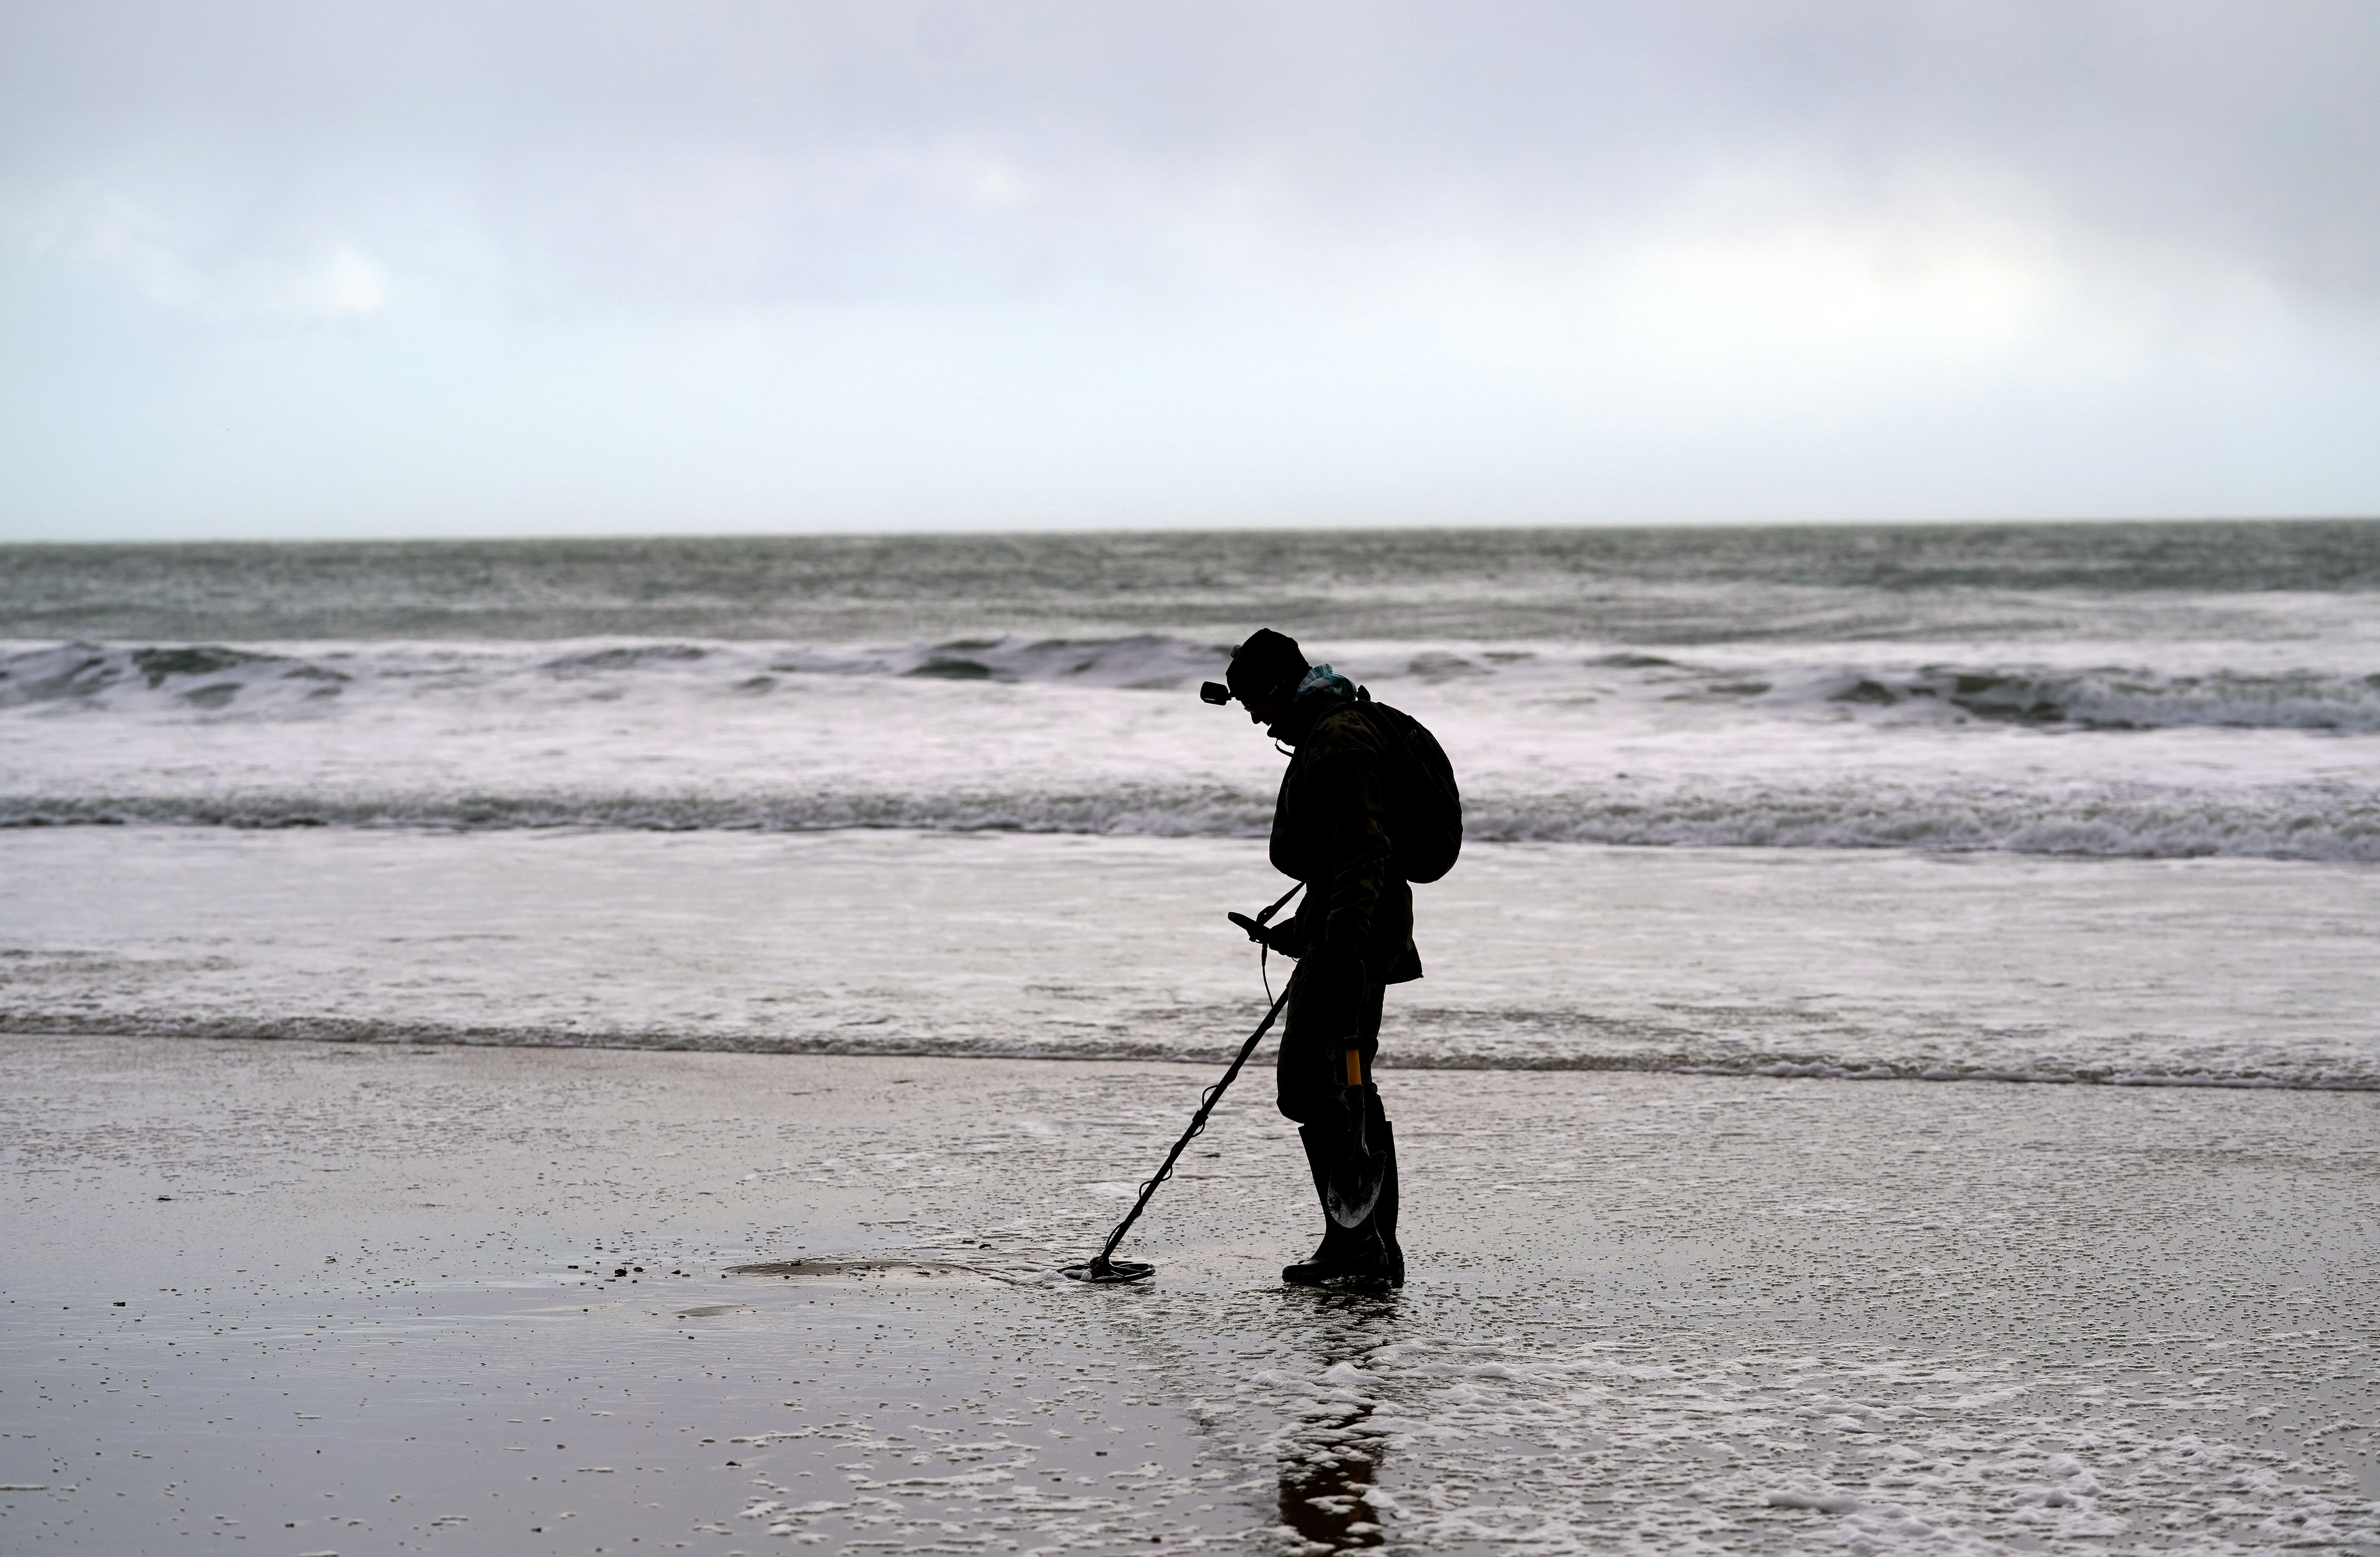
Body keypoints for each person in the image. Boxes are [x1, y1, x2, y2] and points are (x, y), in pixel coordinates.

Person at [1221, 629, 1418, 1289]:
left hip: (1355, 939)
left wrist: (1338, 945)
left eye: (1255, 700)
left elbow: (1368, 851)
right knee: (1348, 1078)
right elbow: (1341, 859)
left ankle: (1359, 1244)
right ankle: (1367, 1248)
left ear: (1281, 685)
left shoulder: (1337, 739)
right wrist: (1305, 931)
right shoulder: (1330, 729)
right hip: (1352, 930)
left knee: (1310, 1081)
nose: (1252, 715)